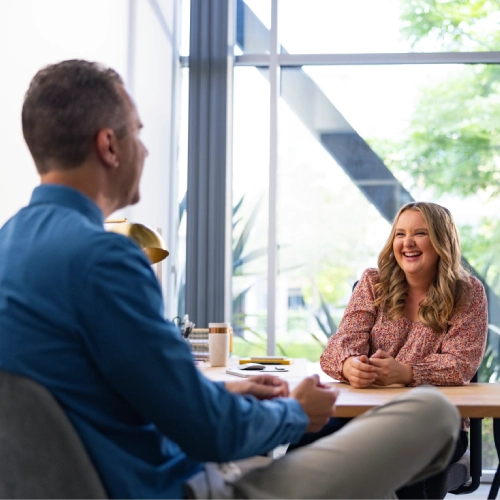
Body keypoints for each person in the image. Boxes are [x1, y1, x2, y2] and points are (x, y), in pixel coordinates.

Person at [0, 60, 460, 500]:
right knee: (433, 415)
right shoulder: (104, 258)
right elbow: (211, 434)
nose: (144, 147)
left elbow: (94, 396)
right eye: (137, 132)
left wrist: (215, 392)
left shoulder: (10, 244)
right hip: (180, 489)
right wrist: (294, 412)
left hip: (106, 477)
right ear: (108, 146)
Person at [319, 201, 488, 499]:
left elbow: (460, 365)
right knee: (308, 442)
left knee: (399, 461)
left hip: (434, 423)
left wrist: (407, 373)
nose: (407, 243)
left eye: (419, 233)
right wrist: (348, 366)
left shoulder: (468, 293)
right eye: (400, 234)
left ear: (441, 241)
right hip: (364, 414)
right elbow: (338, 346)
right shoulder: (373, 283)